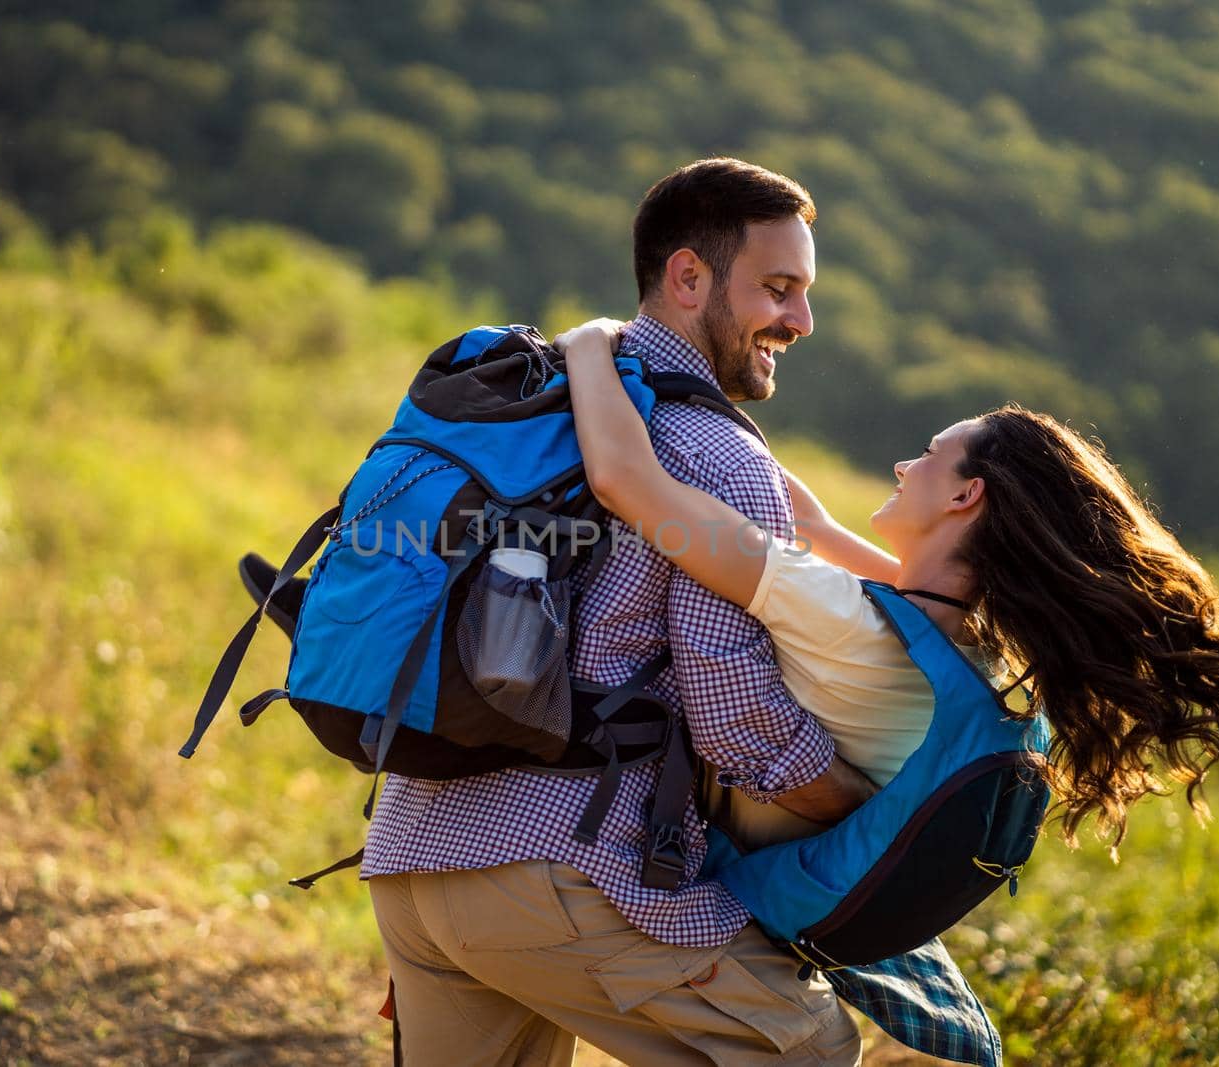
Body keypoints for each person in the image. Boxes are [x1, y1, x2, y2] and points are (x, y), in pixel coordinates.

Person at [363, 158, 874, 1064]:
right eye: (779, 289)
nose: (799, 321)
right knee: (811, 1050)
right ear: (688, 277)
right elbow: (735, 721)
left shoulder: (535, 398)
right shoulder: (716, 455)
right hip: (559, 868)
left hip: (411, 859)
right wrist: (865, 802)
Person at [553, 316, 1219, 856]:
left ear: (966, 497)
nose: (904, 465)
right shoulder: (977, 652)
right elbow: (820, 526)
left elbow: (627, 480)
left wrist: (591, 342)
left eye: (928, 455)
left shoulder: (828, 610)